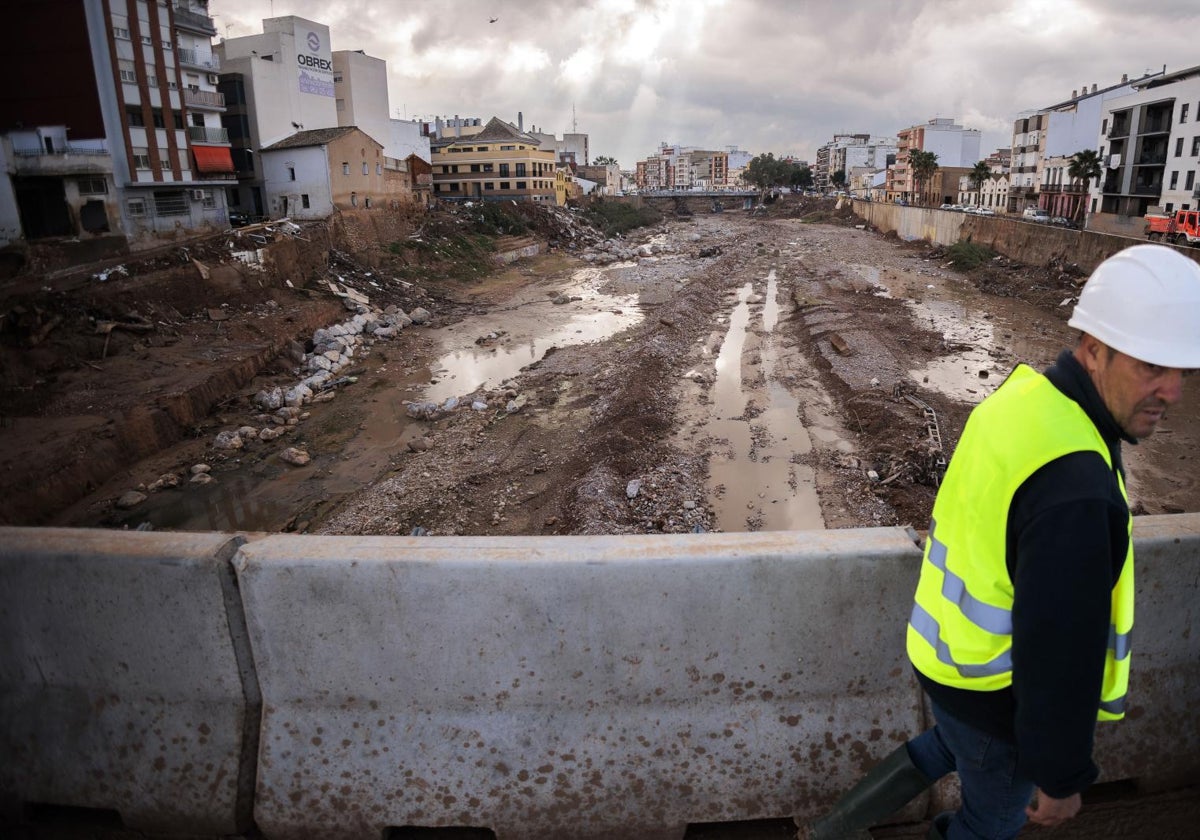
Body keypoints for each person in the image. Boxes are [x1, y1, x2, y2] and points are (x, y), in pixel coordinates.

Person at [801, 244, 1200, 840]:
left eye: (1184, 371)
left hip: (944, 656)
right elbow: (1061, 653)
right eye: (1151, 367)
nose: (1172, 391)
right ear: (1093, 350)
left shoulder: (1023, 400)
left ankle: (833, 828)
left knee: (949, 744)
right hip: (995, 695)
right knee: (989, 823)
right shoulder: (1078, 489)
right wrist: (1061, 777)